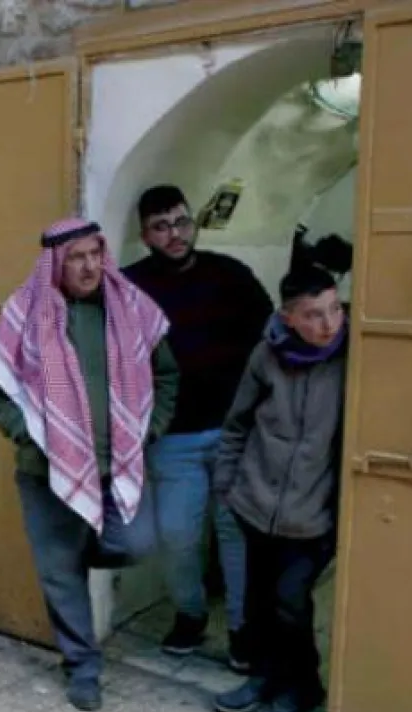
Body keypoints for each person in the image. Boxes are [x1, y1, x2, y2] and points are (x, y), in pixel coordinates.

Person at [0, 217, 179, 712]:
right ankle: (82, 668)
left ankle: (78, 544)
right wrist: (32, 435)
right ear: (56, 263)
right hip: (46, 471)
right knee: (59, 574)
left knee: (135, 541)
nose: (89, 266)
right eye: (77, 258)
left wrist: (149, 430)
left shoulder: (129, 308)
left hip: (117, 466)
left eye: (95, 254)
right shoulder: (24, 314)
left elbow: (168, 374)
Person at [123, 184, 275, 669]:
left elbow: (269, 344)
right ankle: (189, 615)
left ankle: (242, 630)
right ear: (145, 235)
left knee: (235, 535)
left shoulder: (231, 277)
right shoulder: (129, 289)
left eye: (182, 222)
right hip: (174, 439)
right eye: (162, 226)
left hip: (234, 435)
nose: (175, 234)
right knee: (178, 535)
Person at [211, 266, 347, 712]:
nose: (328, 324)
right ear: (288, 318)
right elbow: (237, 425)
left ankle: (304, 685)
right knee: (257, 601)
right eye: (313, 315)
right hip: (254, 503)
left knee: (291, 600)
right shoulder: (265, 356)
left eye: (335, 309)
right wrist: (227, 488)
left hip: (312, 513)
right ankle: (262, 678)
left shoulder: (350, 360)